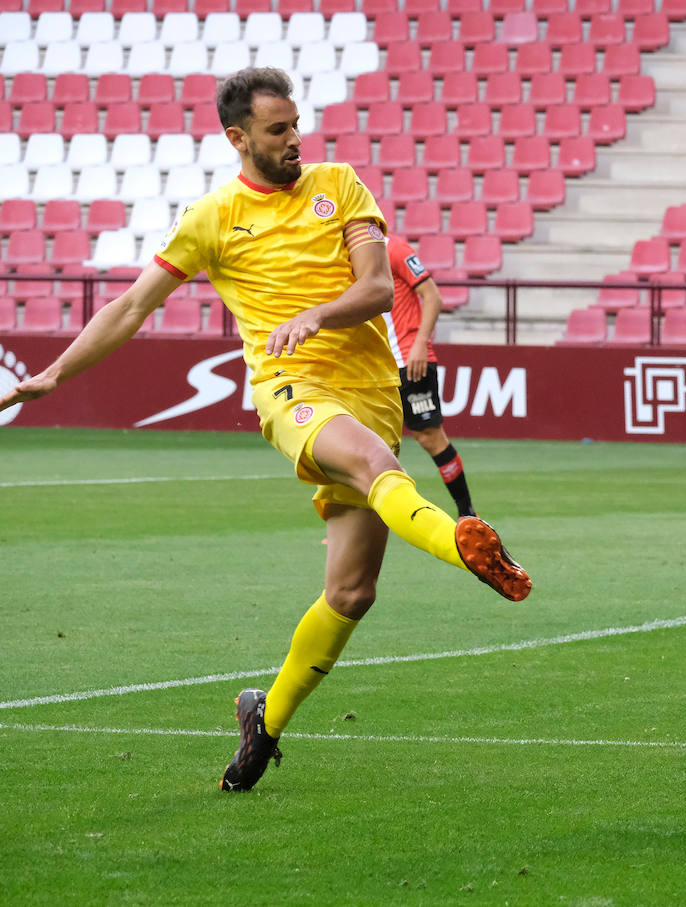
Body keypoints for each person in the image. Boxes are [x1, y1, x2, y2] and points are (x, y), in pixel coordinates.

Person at [0, 67, 532, 793]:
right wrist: (55, 373)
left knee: (352, 592)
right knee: (377, 466)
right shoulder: (212, 219)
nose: (293, 140)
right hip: (291, 390)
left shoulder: (340, 184)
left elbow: (378, 286)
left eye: (295, 125)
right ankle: (465, 543)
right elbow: (130, 308)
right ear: (238, 138)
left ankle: (264, 718)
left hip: (369, 389)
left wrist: (320, 313)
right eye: (277, 130)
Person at [382, 234, 481, 520]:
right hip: (375, 364)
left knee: (430, 438)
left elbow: (433, 296)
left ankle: (468, 515)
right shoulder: (344, 255)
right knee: (369, 443)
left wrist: (419, 345)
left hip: (408, 358)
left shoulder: (394, 248)